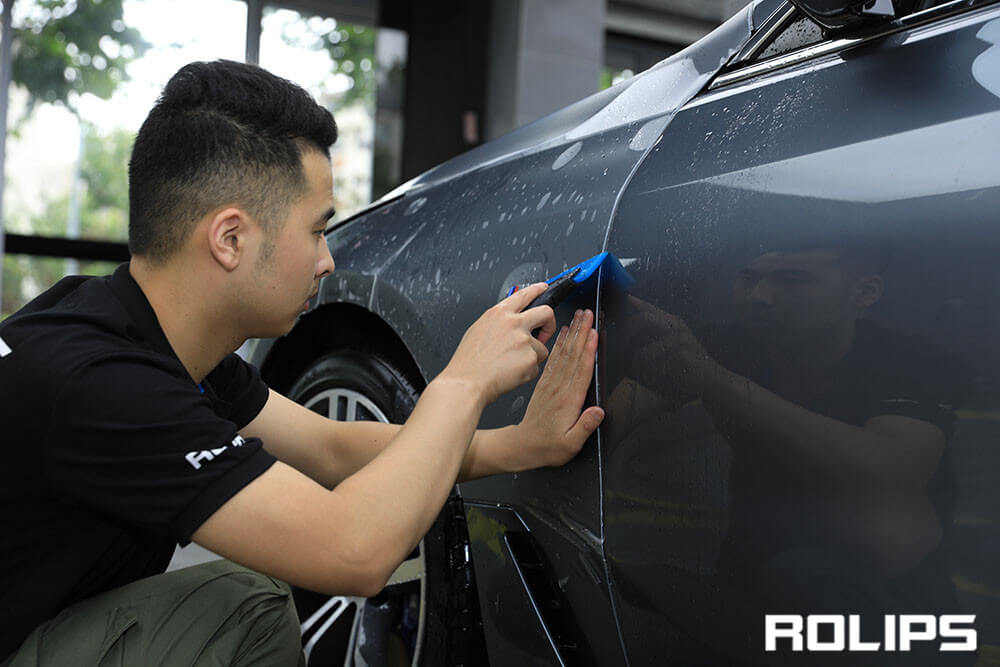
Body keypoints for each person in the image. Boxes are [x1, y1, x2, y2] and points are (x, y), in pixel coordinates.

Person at [0, 60, 604, 666]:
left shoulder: (130, 331)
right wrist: (464, 382)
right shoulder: (104, 385)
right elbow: (353, 551)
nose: (327, 262)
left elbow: (331, 449)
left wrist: (518, 446)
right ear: (229, 239)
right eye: (317, 231)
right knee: (246, 606)